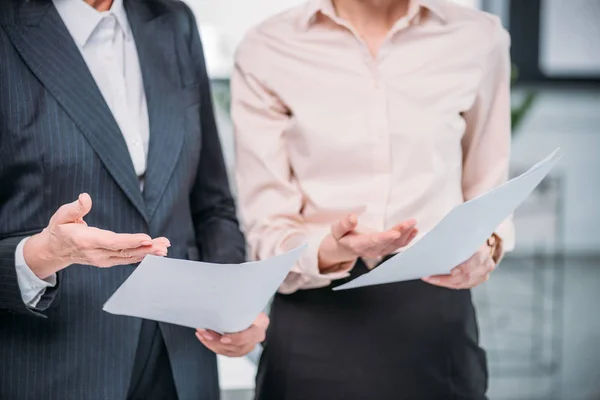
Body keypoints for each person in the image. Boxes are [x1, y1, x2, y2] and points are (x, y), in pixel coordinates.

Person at [232, 0, 515, 398]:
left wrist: (487, 247)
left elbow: (489, 189)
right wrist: (330, 250)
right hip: (314, 319)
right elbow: (266, 226)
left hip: (437, 318)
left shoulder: (478, 38)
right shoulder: (268, 48)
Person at [0, 0, 267, 399]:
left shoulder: (174, 21)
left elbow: (212, 206)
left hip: (182, 366)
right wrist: (43, 255)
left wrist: (233, 307)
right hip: (52, 367)